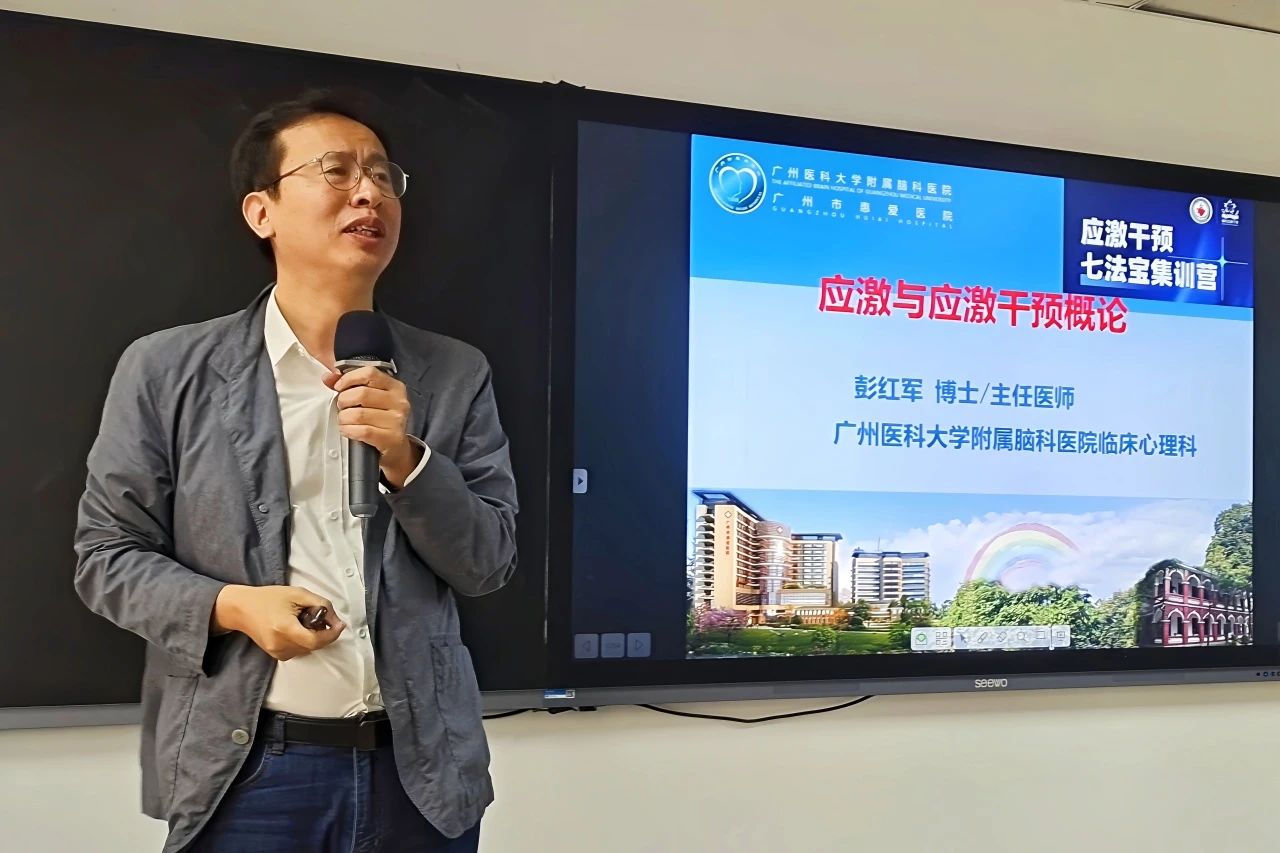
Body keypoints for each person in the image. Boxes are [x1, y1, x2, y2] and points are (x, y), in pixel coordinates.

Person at [74, 90, 518, 852]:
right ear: (262, 211)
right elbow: (104, 556)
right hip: (248, 773)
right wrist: (233, 606)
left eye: (382, 175)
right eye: (336, 171)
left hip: (421, 777)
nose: (369, 193)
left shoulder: (454, 374)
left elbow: (488, 560)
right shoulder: (167, 370)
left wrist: (407, 459)